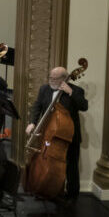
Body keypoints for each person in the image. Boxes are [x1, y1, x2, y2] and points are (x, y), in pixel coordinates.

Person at [26, 66, 88, 201]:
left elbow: (84, 106)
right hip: (48, 133)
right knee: (47, 161)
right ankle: (47, 189)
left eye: (55, 78)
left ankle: (72, 196)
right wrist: (32, 122)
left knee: (71, 166)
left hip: (68, 136)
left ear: (64, 78)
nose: (51, 80)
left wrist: (70, 92)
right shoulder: (44, 89)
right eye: (50, 77)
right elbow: (37, 106)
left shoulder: (76, 90)